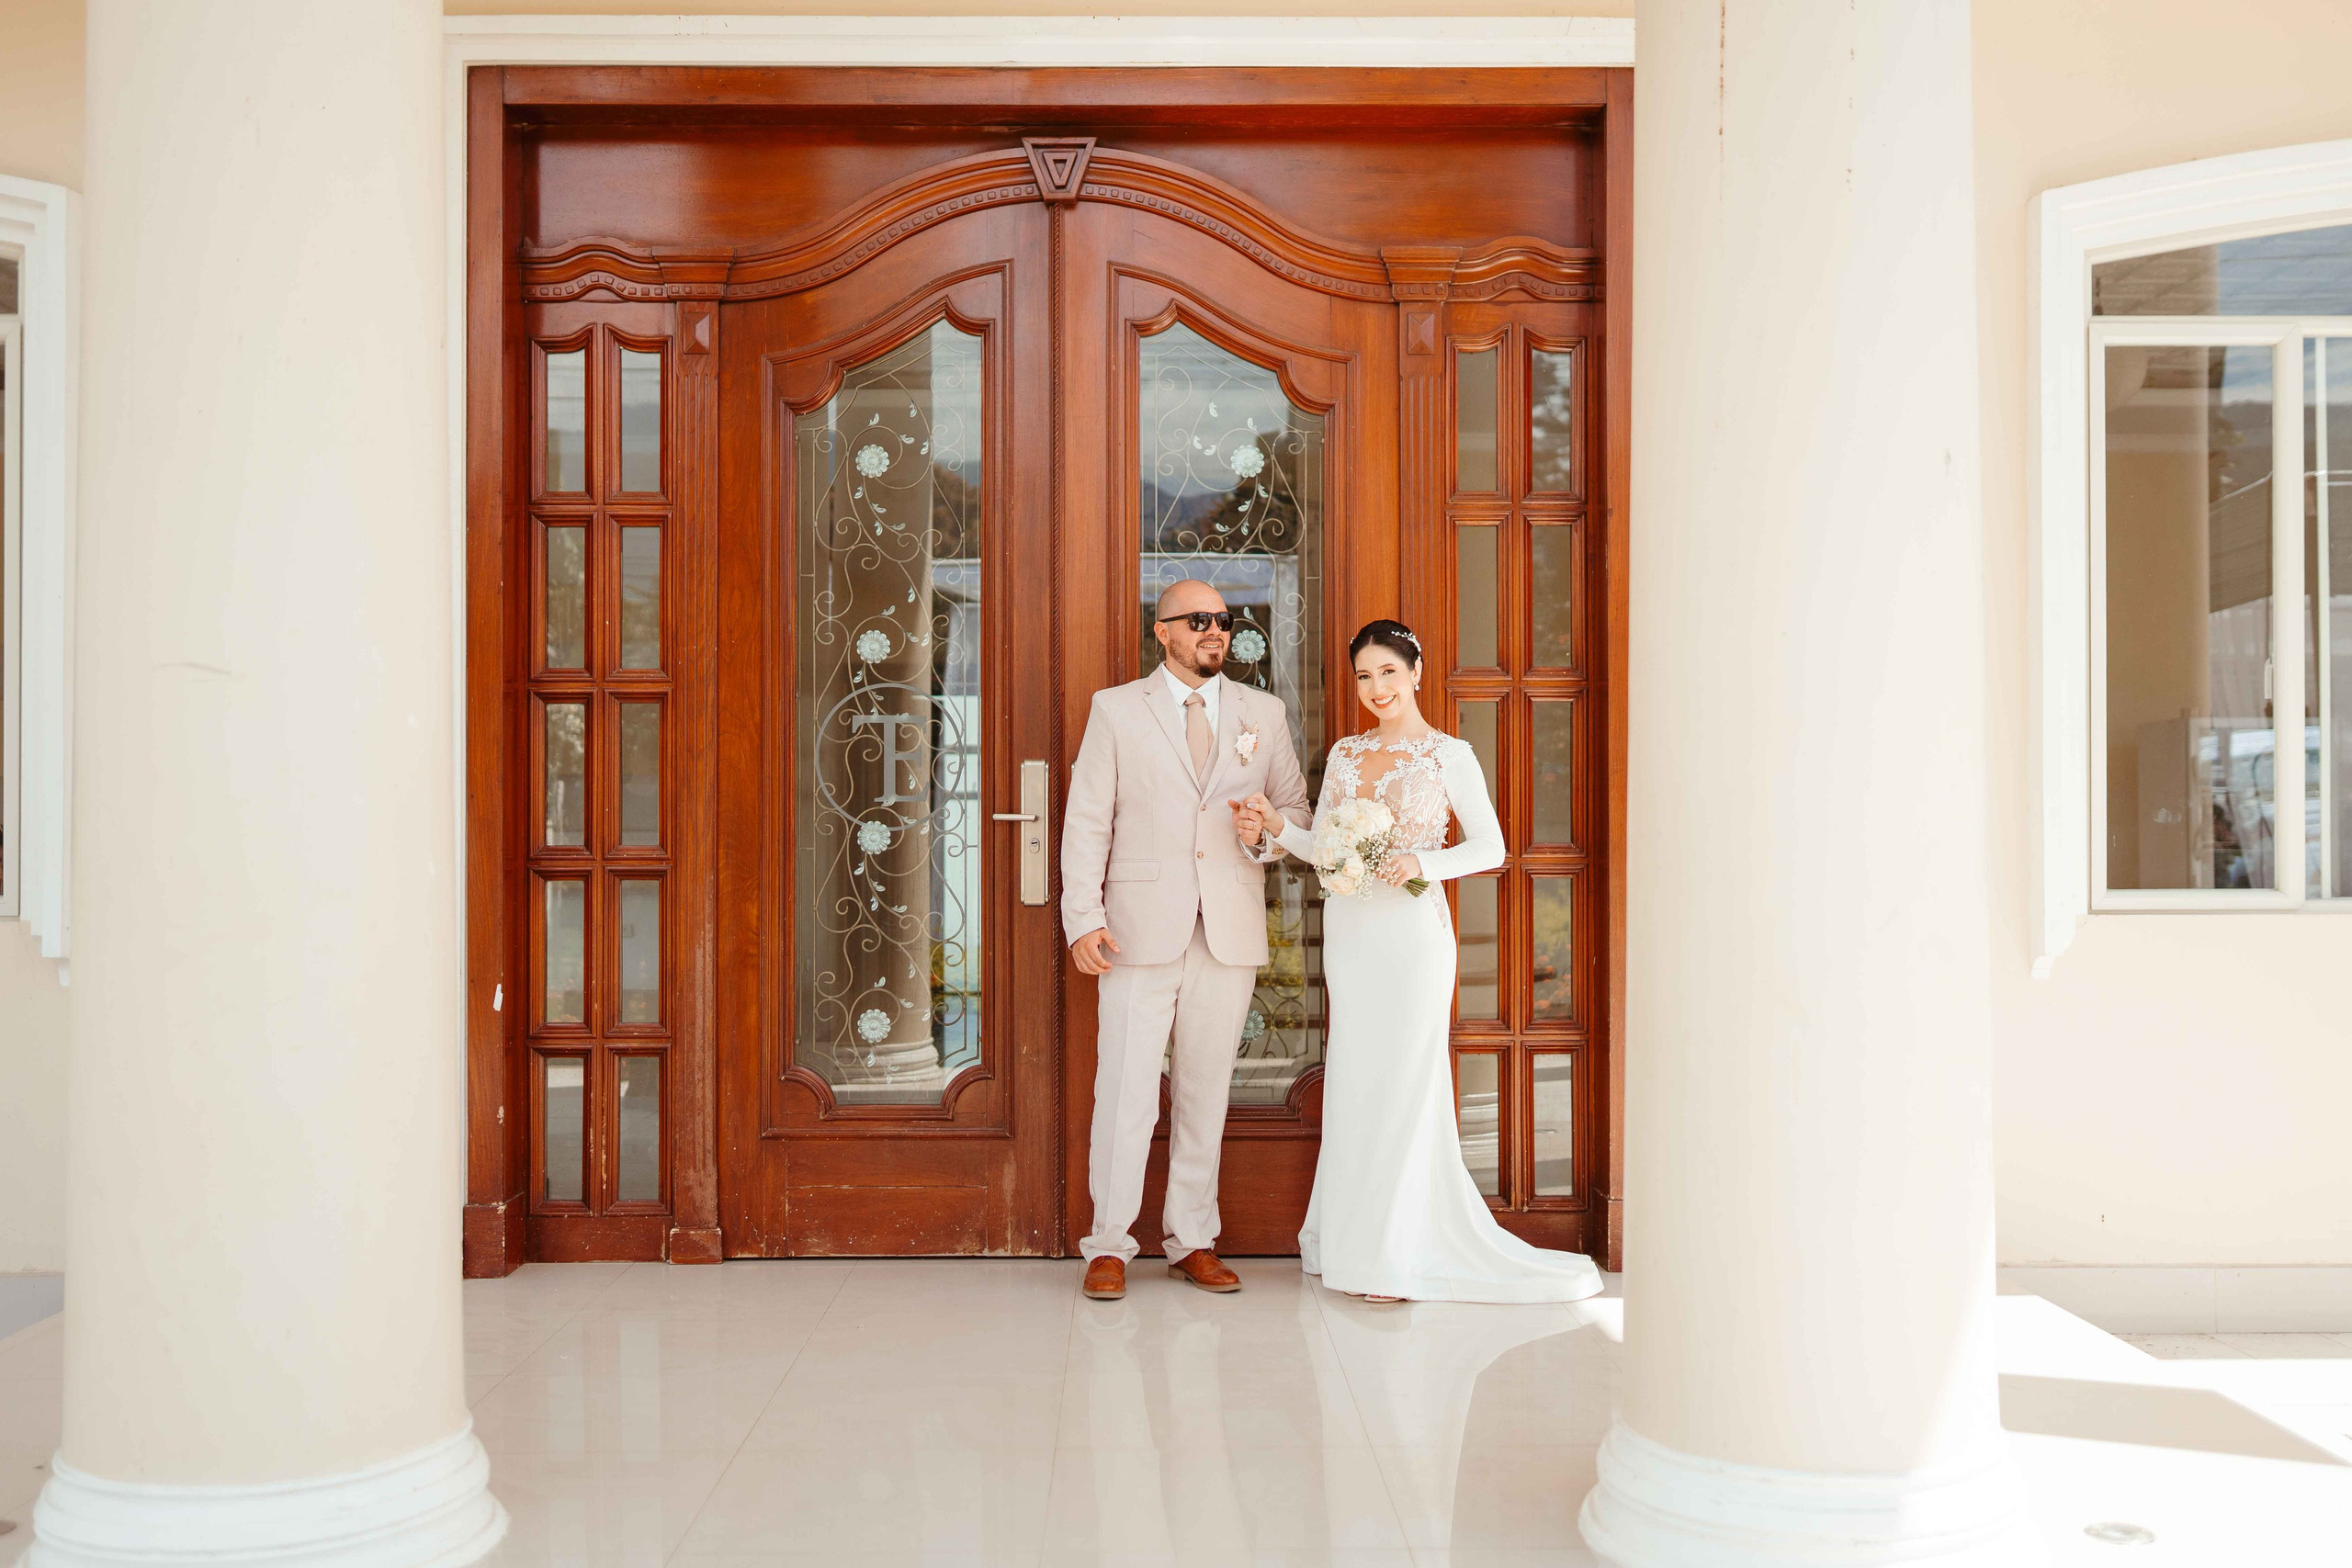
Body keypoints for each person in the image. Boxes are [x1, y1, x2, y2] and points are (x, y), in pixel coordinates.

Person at [1238, 618, 1602, 1303]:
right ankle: (1347, 1241)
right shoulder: (1346, 755)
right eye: (1364, 677)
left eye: (1388, 672)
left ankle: (1395, 1255)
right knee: (1357, 1081)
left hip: (1412, 940)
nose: (1377, 688)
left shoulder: (1448, 755)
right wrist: (1277, 827)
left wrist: (1421, 861)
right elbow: (1327, 847)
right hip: (1350, 937)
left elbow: (1491, 847)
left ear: (1416, 671)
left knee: (1406, 1084)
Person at [1060, 579, 1311, 1301]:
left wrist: (1267, 833)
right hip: (1137, 929)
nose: (1215, 631)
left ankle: (1192, 1239)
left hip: (1226, 927)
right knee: (1127, 1090)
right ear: (1162, 631)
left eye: (1224, 622)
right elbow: (1087, 820)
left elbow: (1293, 806)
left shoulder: (1264, 711)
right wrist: (1084, 916)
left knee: (1207, 1091)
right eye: (1198, 620)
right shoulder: (1116, 709)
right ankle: (1109, 1243)